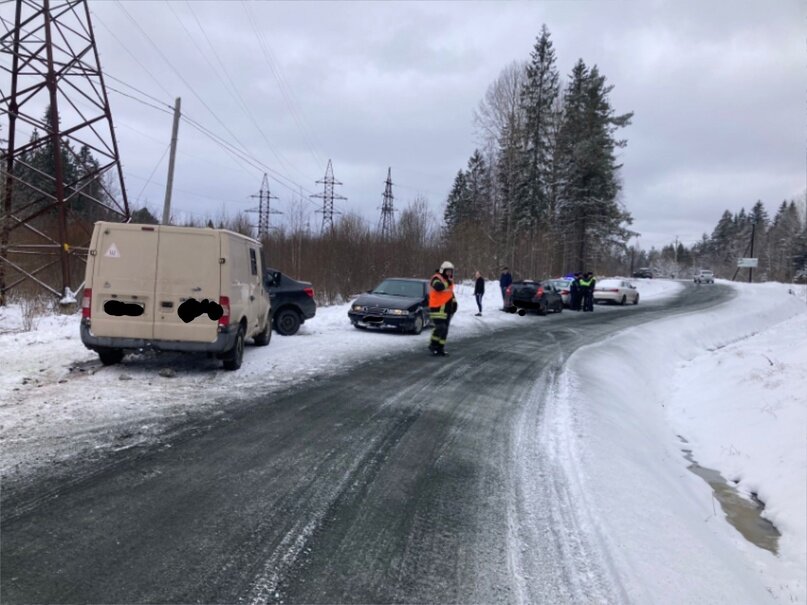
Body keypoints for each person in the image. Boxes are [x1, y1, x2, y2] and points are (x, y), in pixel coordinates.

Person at [428, 261, 457, 356]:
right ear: (443, 270)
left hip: (447, 308)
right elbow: (438, 287)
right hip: (437, 307)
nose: (449, 273)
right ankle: (433, 345)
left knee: (445, 330)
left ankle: (440, 348)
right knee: (440, 327)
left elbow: (450, 293)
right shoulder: (436, 278)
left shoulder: (449, 280)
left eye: (451, 271)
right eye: (448, 271)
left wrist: (454, 302)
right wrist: (447, 283)